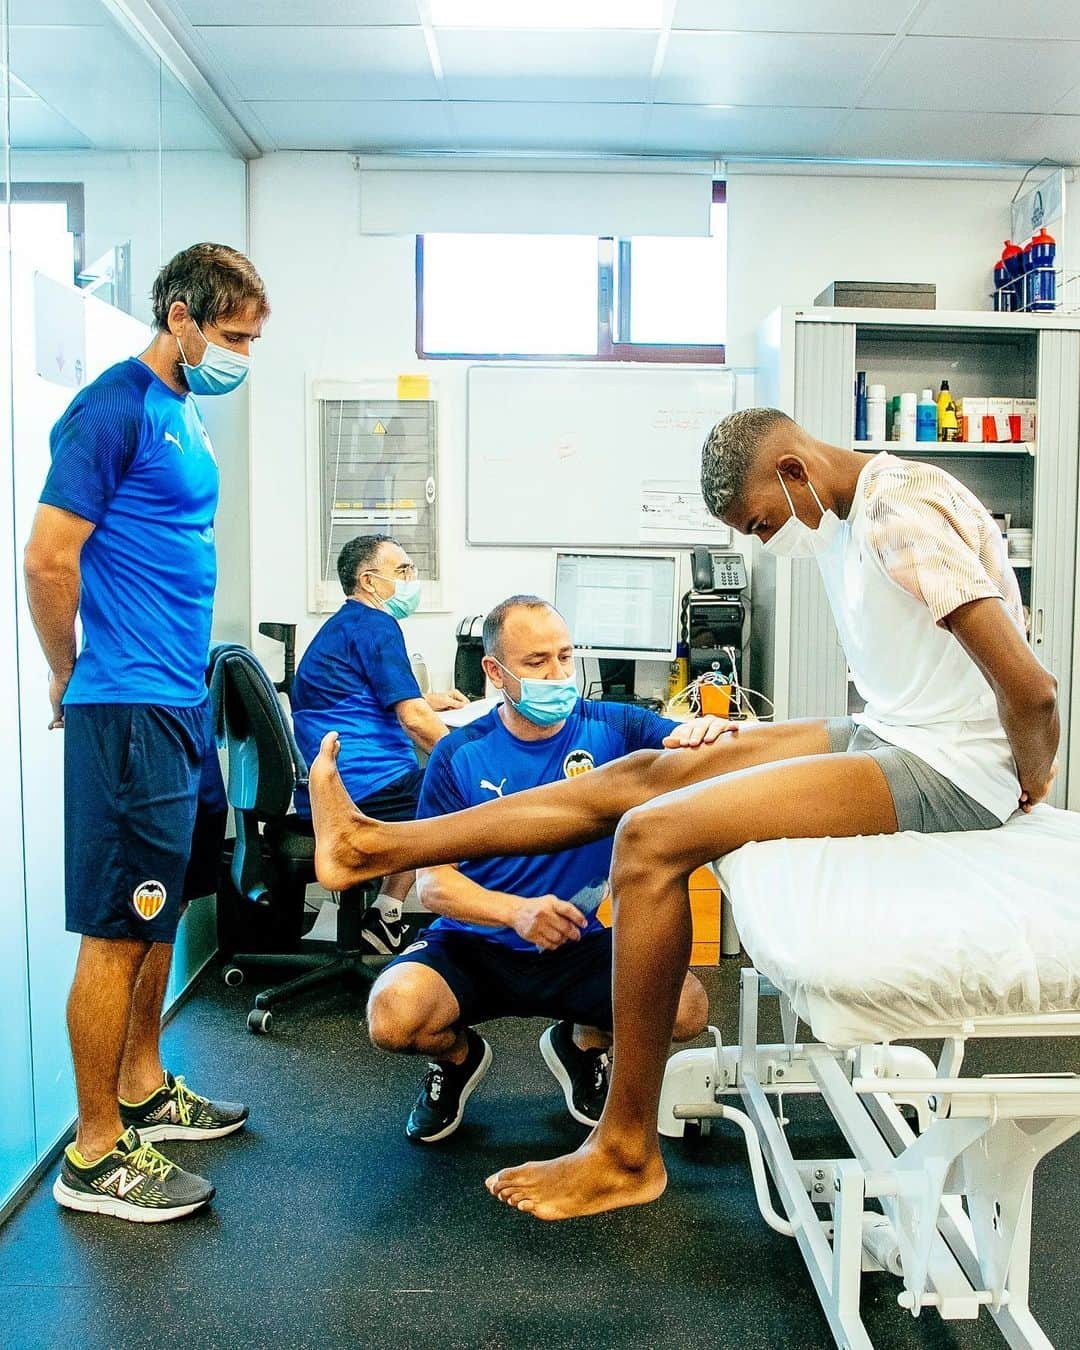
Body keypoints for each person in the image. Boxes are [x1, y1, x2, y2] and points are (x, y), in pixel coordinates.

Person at [308, 407, 1059, 1222]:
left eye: (761, 522)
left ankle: (627, 1152)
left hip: (946, 769)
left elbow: (1033, 688)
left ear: (795, 472)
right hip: (895, 730)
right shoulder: (853, 511)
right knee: (646, 771)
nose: (767, 541)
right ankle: (373, 844)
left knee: (652, 834)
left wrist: (1028, 777)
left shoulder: (896, 512)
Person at [24, 243, 270, 1222]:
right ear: (180, 317)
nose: (242, 354)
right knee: (116, 932)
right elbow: (48, 558)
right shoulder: (112, 407)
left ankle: (141, 1085)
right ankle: (94, 1155)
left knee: (159, 909)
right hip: (125, 703)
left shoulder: (184, 411)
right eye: (234, 335)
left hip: (175, 699)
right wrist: (66, 668)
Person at [366, 595, 715, 1143]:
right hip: (474, 945)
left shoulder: (612, 727)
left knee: (686, 1009)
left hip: (575, 941)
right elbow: (434, 884)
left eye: (565, 657)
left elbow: (684, 739)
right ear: (495, 671)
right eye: (537, 663)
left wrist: (703, 732)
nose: (558, 675)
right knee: (394, 1015)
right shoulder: (459, 754)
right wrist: (516, 912)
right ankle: (457, 1061)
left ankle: (582, 1044)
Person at [290, 534, 467, 955]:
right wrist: (474, 762)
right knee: (469, 797)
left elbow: (368, 700)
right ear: (369, 581)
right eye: (402, 571)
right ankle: (467, 937)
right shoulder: (376, 626)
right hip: (363, 787)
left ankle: (385, 917)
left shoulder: (345, 626)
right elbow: (413, 720)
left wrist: (429, 700)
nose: (411, 579)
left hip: (337, 785)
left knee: (437, 788)